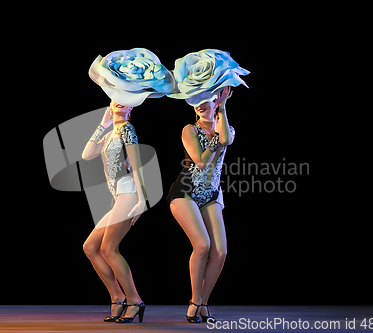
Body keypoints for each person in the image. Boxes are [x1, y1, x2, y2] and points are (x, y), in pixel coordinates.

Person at [82, 48, 175, 323]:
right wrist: (102, 123)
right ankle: (117, 297)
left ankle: (134, 300)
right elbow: (87, 154)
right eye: (115, 100)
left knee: (109, 249)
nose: (119, 104)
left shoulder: (127, 131)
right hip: (118, 196)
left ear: (133, 105)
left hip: (128, 194)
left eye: (125, 102)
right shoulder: (112, 130)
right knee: (90, 248)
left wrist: (141, 203)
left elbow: (138, 170)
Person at [166, 49, 249, 323]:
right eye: (195, 100)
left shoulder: (227, 127)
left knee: (221, 251)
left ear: (216, 100)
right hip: (186, 191)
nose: (200, 104)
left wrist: (223, 110)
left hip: (211, 194)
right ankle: (194, 300)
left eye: (206, 99)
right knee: (201, 246)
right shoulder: (189, 129)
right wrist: (214, 136)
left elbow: (227, 138)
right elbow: (201, 162)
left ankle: (203, 302)